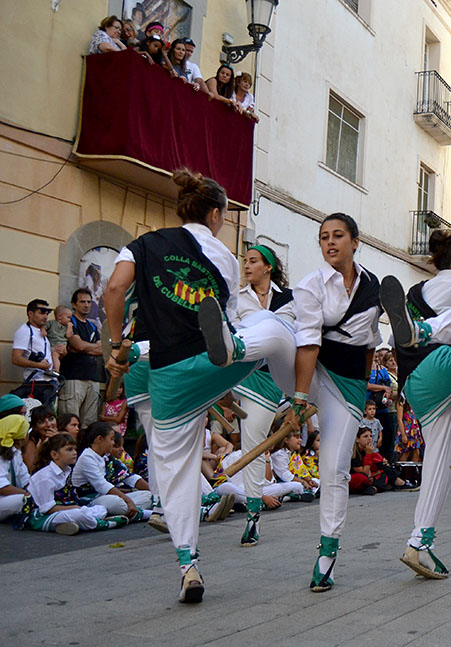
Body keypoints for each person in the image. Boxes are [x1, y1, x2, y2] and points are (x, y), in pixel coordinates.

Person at [104, 169, 296, 603]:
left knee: (171, 466)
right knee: (273, 327)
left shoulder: (144, 243)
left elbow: (115, 288)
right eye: (225, 215)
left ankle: (188, 562)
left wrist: (118, 343)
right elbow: (222, 322)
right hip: (200, 364)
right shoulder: (226, 259)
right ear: (214, 214)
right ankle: (296, 390)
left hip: (151, 369)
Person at [380, 230, 451, 579]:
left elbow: (390, 346)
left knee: (440, 463)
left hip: (415, 385)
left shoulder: (415, 292)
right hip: (441, 364)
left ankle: (420, 542)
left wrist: (389, 349)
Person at [287, 212, 382, 593]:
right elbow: (308, 342)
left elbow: (370, 343)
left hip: (347, 383)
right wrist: (298, 398)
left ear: (355, 242)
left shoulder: (373, 285)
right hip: (307, 371)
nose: (330, 242)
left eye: (338, 235)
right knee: (280, 334)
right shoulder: (310, 285)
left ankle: (327, 553)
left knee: (334, 470)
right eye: (324, 236)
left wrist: (361, 385)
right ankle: (237, 346)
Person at [232, 243, 296, 547]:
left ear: (268, 267)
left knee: (254, 444)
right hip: (240, 370)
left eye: (253, 261)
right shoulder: (236, 298)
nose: (246, 266)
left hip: (271, 376)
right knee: (250, 442)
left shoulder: (288, 299)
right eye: (245, 261)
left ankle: (253, 515)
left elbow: (293, 334)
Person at [25, 433, 126, 534]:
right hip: (42, 516)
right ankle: (104, 524)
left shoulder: (68, 471)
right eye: (69, 450)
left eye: (74, 449)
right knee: (79, 514)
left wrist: (78, 508)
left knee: (101, 509)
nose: (74, 453)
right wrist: (76, 508)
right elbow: (47, 509)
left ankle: (65, 526)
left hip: (66, 508)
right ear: (55, 455)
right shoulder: (45, 477)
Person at [72, 422, 152, 520]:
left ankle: (126, 513)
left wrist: (153, 492)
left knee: (147, 495)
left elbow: (128, 476)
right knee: (117, 503)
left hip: (106, 498)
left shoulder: (107, 457)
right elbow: (102, 486)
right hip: (90, 500)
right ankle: (144, 514)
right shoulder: (87, 457)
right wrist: (129, 501)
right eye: (111, 439)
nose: (113, 443)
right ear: (100, 439)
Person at [60, 288, 103, 428]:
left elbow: (102, 350)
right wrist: (87, 347)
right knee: (70, 423)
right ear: (74, 304)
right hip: (74, 377)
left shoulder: (92, 326)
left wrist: (84, 347)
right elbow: (78, 346)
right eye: (82, 302)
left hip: (93, 377)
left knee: (89, 425)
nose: (86, 305)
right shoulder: (70, 321)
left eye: (89, 302)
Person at [10, 299, 58, 408]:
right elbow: (16, 358)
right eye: (41, 312)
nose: (45, 316)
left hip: (49, 382)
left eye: (47, 313)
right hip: (35, 383)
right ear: (30, 313)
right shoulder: (25, 331)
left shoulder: (42, 331)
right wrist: (39, 365)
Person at [0, 411, 31, 523]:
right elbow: (3, 487)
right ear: (22, 436)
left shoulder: (16, 453)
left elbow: (25, 479)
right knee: (27, 500)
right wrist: (27, 494)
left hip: (5, 499)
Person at [45, 305, 73, 373]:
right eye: (68, 317)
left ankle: (56, 370)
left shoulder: (66, 327)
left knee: (55, 356)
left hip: (61, 344)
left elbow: (69, 336)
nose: (69, 320)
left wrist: (70, 327)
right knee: (50, 356)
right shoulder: (51, 323)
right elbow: (44, 327)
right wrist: (43, 330)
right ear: (59, 316)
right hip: (52, 344)